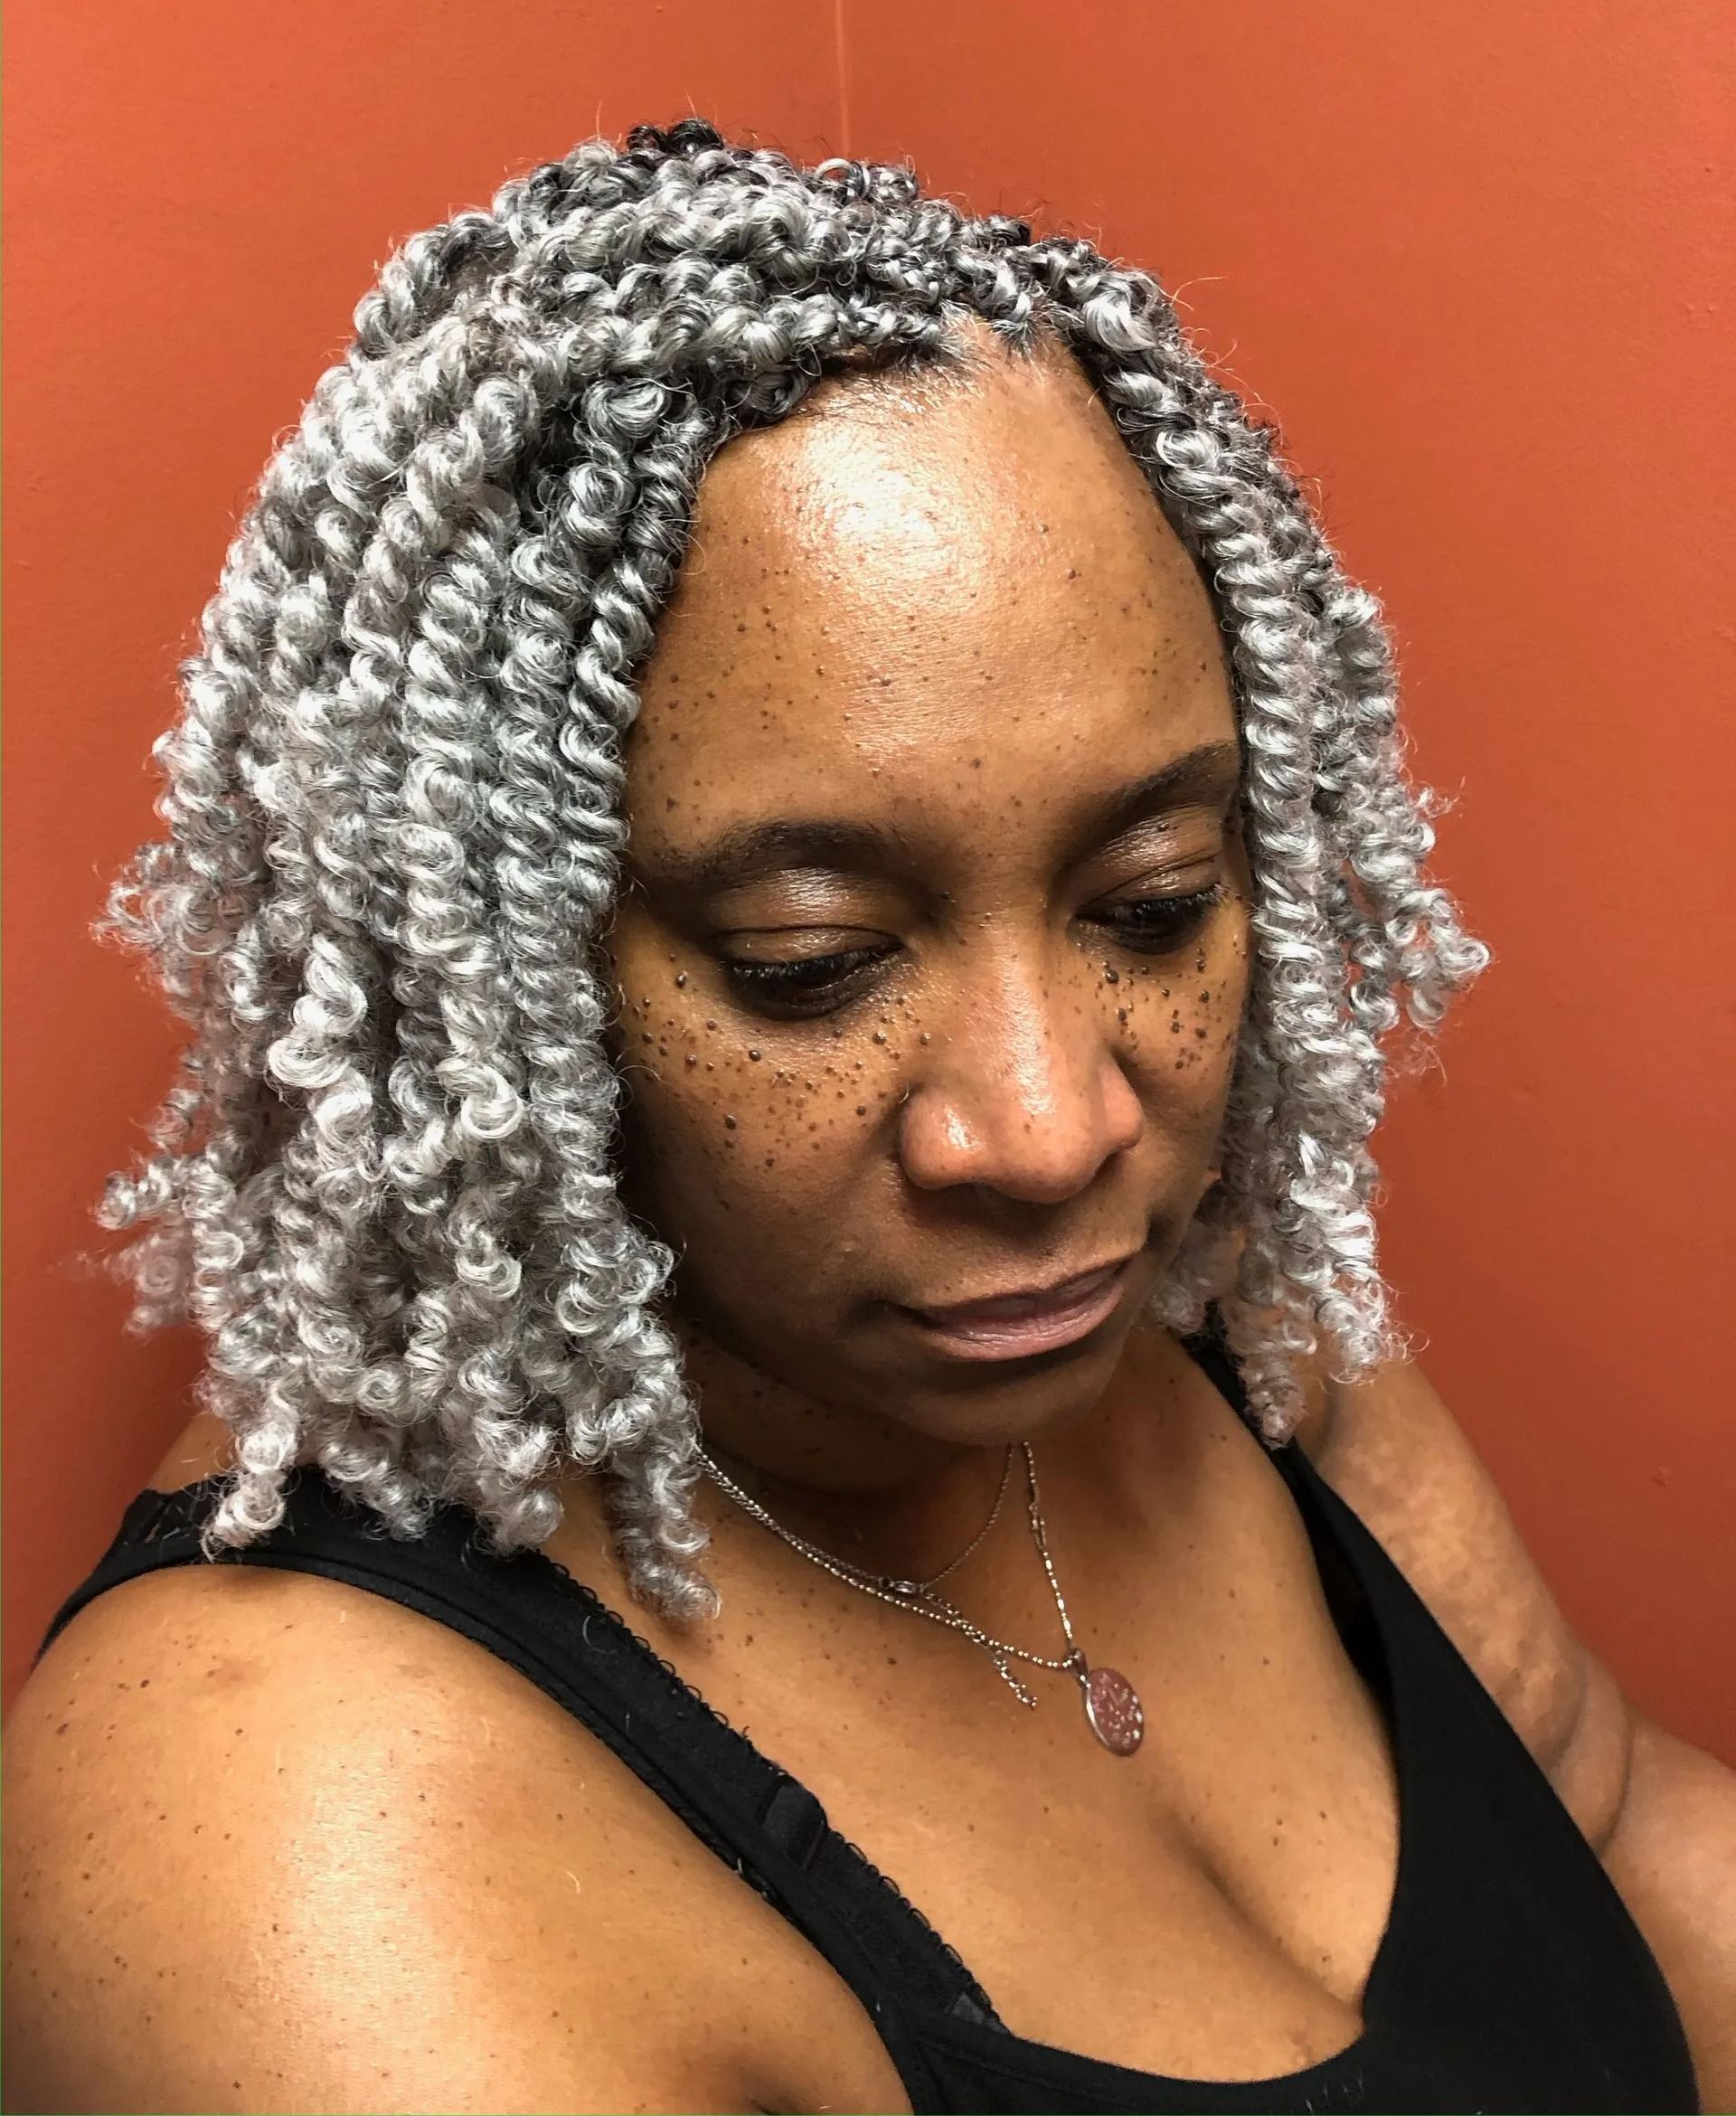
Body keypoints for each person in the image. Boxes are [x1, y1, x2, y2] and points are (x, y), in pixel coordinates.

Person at [4, 118, 1728, 2116]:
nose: (1057, 1125)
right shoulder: (291, 1840)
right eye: (813, 960)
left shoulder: (1219, 1325)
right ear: (489, 965)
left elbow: (1625, 1842)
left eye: (1150, 903)